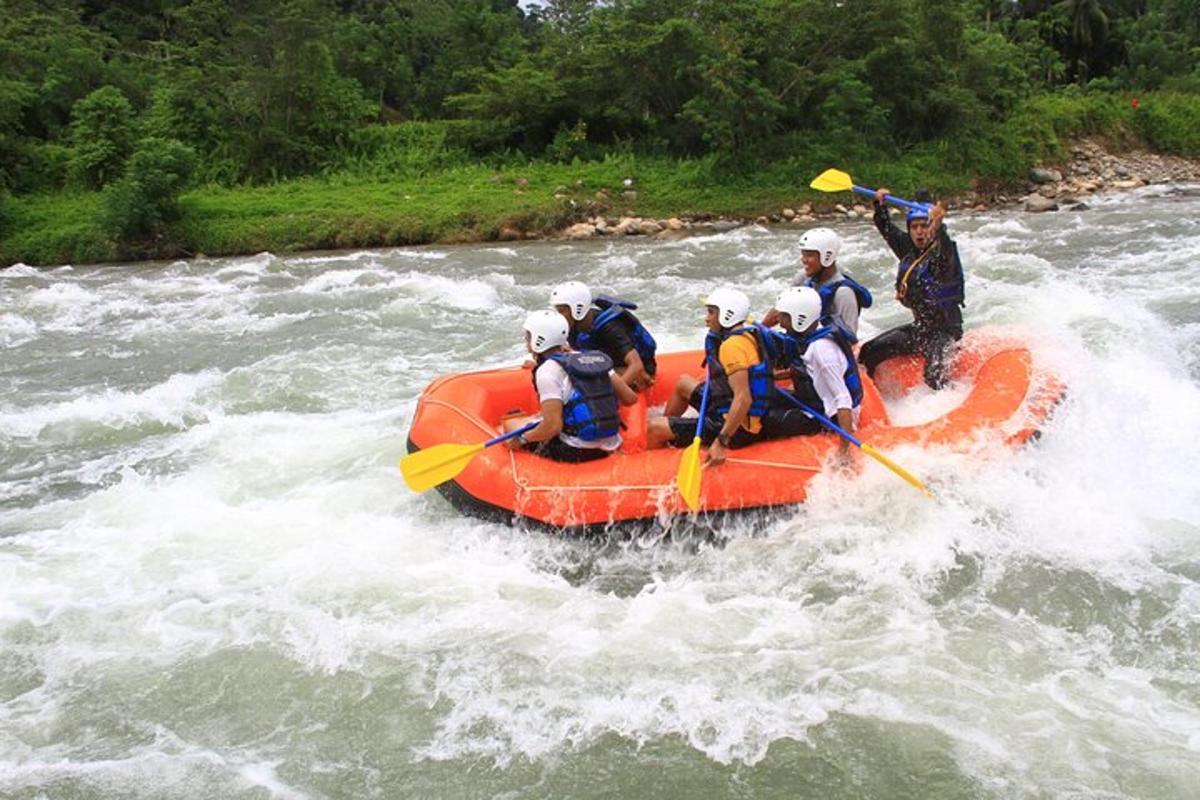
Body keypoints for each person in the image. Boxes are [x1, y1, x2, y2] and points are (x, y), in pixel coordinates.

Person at [647, 287, 780, 466]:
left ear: (727, 314)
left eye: (711, 312)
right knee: (683, 383)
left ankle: (659, 465)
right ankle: (671, 436)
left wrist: (720, 442)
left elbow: (743, 398)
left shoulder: (731, 347)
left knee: (653, 428)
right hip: (726, 407)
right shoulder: (747, 334)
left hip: (738, 429)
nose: (706, 318)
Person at [858, 188, 965, 389]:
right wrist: (879, 205)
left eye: (924, 226)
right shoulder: (908, 249)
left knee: (933, 375)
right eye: (914, 227)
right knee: (869, 351)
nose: (919, 231)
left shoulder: (944, 252)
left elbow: (942, 241)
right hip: (921, 329)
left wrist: (938, 224)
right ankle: (874, 399)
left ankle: (947, 401)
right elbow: (886, 228)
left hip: (946, 332)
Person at [503, 310, 637, 462]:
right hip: (612, 444)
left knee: (511, 425)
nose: (527, 343)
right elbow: (630, 398)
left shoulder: (546, 371)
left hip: (576, 450)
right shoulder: (592, 358)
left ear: (538, 340)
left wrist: (522, 439)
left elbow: (553, 427)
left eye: (528, 337)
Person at [762, 287, 863, 448]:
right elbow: (809, 371)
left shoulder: (822, 350)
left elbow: (843, 399)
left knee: (767, 419)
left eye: (783, 315)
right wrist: (773, 376)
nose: (778, 319)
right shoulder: (811, 332)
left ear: (799, 318)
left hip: (827, 417)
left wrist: (845, 451)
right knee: (762, 395)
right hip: (813, 400)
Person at [762, 227, 871, 337]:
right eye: (803, 254)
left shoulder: (843, 293)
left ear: (827, 256)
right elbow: (780, 311)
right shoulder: (802, 278)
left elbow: (850, 337)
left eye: (809, 255)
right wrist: (760, 330)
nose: (803, 260)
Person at [550, 281, 658, 390]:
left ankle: (641, 378)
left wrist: (611, 394)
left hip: (635, 368)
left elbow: (636, 365)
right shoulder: (571, 325)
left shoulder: (610, 327)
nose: (557, 316)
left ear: (577, 309)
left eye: (561, 311)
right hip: (606, 362)